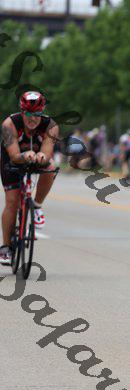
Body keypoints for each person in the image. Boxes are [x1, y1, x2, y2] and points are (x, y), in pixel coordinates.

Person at [0, 91, 59, 264]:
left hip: (35, 157)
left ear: (42, 112)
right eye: (27, 114)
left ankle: (37, 206)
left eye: (36, 114)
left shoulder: (51, 126)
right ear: (21, 112)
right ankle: (6, 246)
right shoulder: (9, 124)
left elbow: (47, 152)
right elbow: (14, 156)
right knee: (12, 201)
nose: (32, 119)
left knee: (51, 167)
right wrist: (24, 155)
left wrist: (42, 157)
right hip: (12, 159)